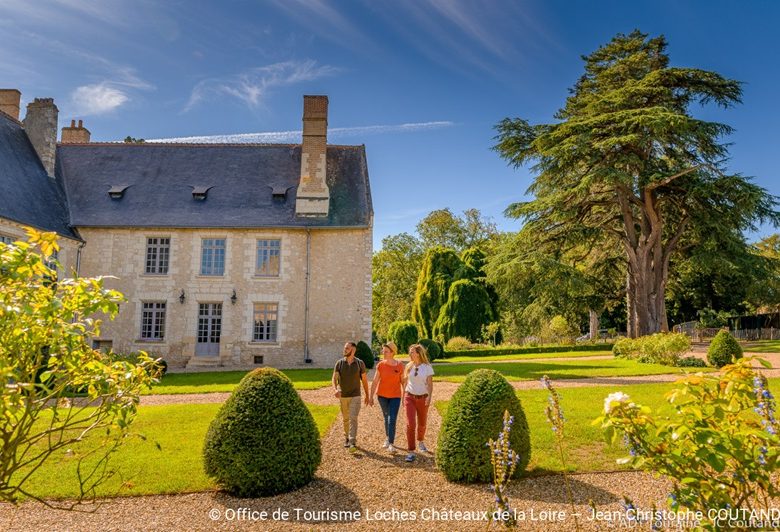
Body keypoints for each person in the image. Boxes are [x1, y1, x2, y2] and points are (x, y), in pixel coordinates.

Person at [333, 341, 370, 450]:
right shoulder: (339, 363)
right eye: (345, 348)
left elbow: (364, 380)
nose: (345, 350)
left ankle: (352, 441)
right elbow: (334, 378)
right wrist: (335, 389)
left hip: (356, 395)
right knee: (346, 419)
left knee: (353, 417)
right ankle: (347, 437)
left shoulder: (360, 363)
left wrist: (367, 395)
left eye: (347, 348)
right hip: (343, 396)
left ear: (353, 350)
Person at [369, 341, 404, 453]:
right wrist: (370, 396)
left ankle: (391, 443)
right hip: (382, 396)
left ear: (392, 352)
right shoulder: (380, 365)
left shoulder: (399, 365)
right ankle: (387, 438)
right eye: (383, 351)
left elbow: (403, 382)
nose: (383, 353)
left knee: (391, 418)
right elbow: (375, 382)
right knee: (386, 417)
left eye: (386, 351)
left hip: (395, 396)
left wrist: (405, 396)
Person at [402, 343, 434, 462]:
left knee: (422, 423)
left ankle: (420, 441)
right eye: (410, 352)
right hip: (409, 397)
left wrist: (429, 397)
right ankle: (411, 451)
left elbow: (430, 384)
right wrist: (403, 397)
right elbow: (405, 383)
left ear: (418, 353)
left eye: (412, 352)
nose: (410, 354)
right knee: (410, 424)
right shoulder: (408, 366)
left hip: (423, 398)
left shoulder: (427, 367)